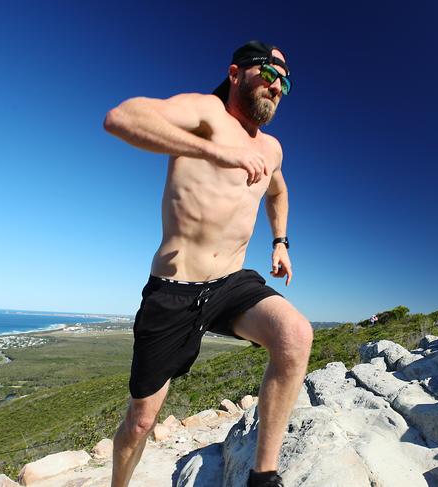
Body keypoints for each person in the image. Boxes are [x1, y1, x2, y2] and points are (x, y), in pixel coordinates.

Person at [103, 41, 312, 487]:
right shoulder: (205, 112)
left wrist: (281, 241)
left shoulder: (272, 148)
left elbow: (278, 192)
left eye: (286, 82)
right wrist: (213, 151)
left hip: (231, 283)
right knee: (141, 421)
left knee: (295, 335)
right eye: (269, 74)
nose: (277, 87)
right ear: (236, 73)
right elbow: (121, 118)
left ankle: (264, 475)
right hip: (174, 288)